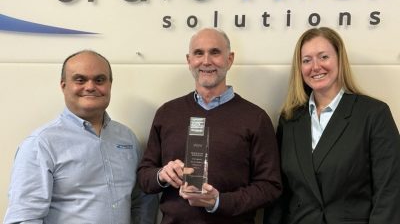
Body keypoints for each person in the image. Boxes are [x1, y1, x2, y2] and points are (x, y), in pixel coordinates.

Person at [137, 28, 282, 224]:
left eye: (215, 52)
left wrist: (219, 202)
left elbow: (270, 187)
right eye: (198, 53)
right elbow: (145, 177)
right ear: (189, 61)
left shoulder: (255, 118)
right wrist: (162, 175)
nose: (206, 61)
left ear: (229, 59)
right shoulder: (167, 113)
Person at [3, 50, 158, 224]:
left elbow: (142, 199)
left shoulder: (127, 138)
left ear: (110, 85)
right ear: (63, 85)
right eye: (80, 79)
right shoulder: (41, 144)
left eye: (99, 80)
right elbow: (24, 217)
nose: (90, 86)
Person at [264, 27, 400, 224]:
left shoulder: (373, 114)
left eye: (324, 57)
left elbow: (390, 190)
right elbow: (280, 196)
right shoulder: (289, 120)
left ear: (339, 60)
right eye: (307, 60)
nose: (315, 66)